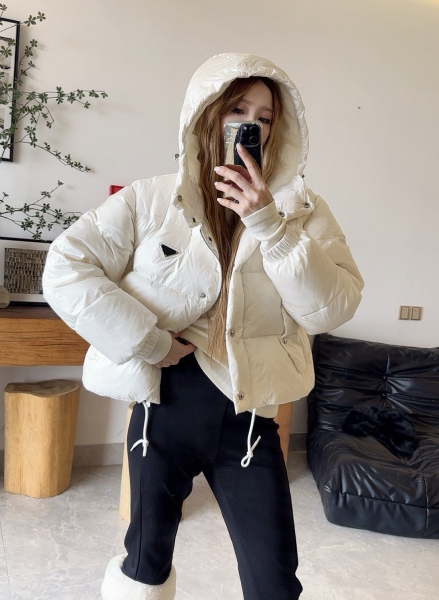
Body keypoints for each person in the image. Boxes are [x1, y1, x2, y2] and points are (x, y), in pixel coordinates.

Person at [43, 53, 364, 600]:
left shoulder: (303, 211)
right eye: (238, 109)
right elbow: (66, 267)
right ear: (208, 112)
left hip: (248, 417)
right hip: (162, 405)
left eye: (264, 117)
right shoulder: (151, 198)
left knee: (274, 578)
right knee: (144, 565)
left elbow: (331, 308)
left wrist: (270, 224)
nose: (251, 125)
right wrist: (147, 340)